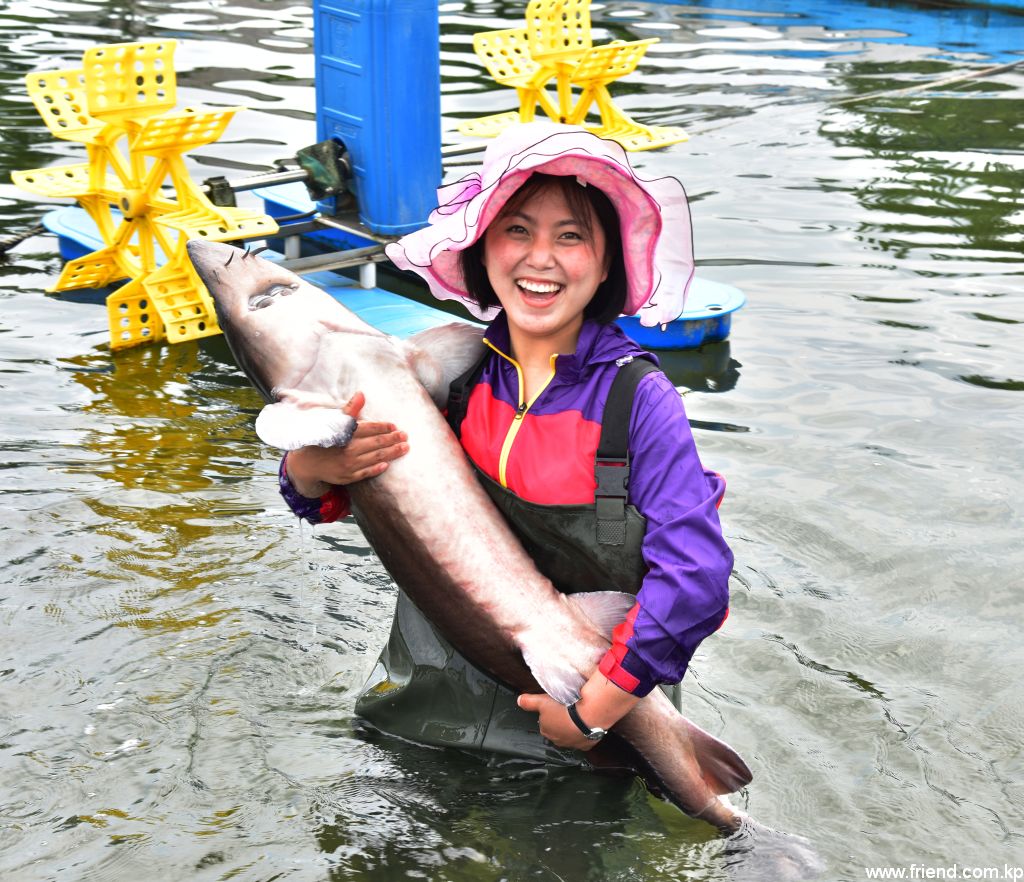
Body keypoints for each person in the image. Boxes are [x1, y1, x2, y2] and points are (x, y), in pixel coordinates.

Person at [278, 123, 733, 759]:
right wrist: (310, 466)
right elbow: (331, 500)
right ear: (481, 248)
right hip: (428, 703)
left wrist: (595, 712)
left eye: (571, 236)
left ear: (607, 266)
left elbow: (696, 579)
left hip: (588, 716)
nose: (539, 258)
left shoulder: (637, 401)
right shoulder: (451, 374)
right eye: (517, 229)